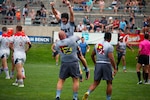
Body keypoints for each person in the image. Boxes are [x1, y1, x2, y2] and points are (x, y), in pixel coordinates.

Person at [50, 0, 90, 80]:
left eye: (65, 19)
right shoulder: (61, 22)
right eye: (63, 19)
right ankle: (79, 74)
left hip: (72, 43)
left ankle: (87, 69)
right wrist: (52, 6)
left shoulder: (71, 23)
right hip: (65, 44)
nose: (63, 20)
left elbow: (72, 14)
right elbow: (55, 13)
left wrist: (69, 6)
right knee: (71, 59)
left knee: (80, 56)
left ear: (67, 19)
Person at [82, 32, 117, 100]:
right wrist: (115, 67)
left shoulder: (97, 44)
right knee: (109, 82)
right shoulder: (109, 46)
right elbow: (111, 58)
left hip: (98, 63)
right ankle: (108, 98)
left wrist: (95, 63)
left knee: (96, 82)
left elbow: (92, 55)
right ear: (110, 38)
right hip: (106, 64)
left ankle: (88, 92)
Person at [54, 30, 80, 100]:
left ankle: (58, 96)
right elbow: (78, 37)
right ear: (65, 35)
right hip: (74, 62)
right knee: (75, 80)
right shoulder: (71, 40)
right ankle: (75, 97)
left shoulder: (58, 44)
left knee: (61, 80)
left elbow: (55, 49)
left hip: (64, 63)